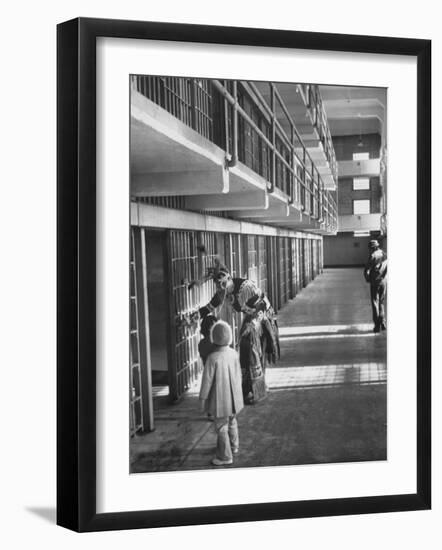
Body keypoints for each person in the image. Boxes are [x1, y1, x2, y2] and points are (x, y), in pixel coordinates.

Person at [195, 256, 279, 404]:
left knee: (250, 348)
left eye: (222, 284)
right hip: (250, 317)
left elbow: (261, 308)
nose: (221, 289)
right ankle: (247, 389)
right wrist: (192, 318)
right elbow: (208, 307)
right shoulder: (223, 293)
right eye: (218, 286)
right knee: (245, 350)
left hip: (262, 317)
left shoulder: (246, 288)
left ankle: (256, 389)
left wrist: (251, 325)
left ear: (228, 278)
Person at [199, 320, 244, 466]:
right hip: (234, 397)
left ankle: (225, 456)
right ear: (230, 336)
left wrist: (202, 399)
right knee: (232, 421)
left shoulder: (212, 358)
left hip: (220, 399)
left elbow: (206, 381)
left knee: (221, 426)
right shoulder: (234, 354)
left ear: (213, 337)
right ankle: (234, 446)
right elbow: (239, 375)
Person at [364, 239, 387, 333]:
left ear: (372, 247)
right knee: (381, 302)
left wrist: (368, 278)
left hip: (375, 281)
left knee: (375, 303)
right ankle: (383, 323)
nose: (369, 250)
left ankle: (377, 325)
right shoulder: (384, 254)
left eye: (370, 248)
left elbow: (367, 270)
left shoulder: (373, 255)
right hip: (384, 281)